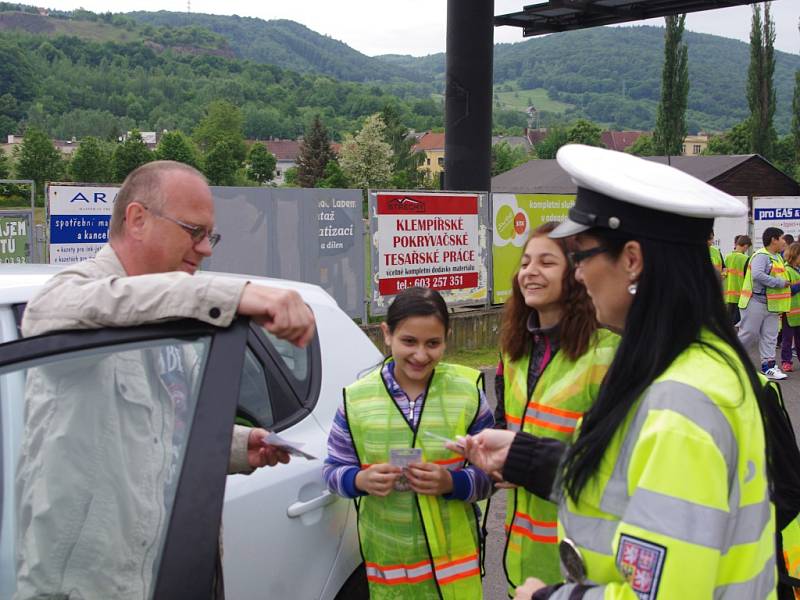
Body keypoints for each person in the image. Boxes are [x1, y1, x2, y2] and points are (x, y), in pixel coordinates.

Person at [449, 145, 776, 599]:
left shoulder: (682, 400)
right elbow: (640, 487)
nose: (577, 275)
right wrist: (529, 457)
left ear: (633, 260)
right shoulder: (697, 362)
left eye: (580, 255)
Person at [15, 161, 316, 600]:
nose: (205, 249)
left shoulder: (166, 316)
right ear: (137, 219)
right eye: (194, 231)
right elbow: (44, 317)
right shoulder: (80, 291)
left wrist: (230, 444)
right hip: (88, 587)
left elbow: (155, 429)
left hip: (167, 571)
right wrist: (228, 295)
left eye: (209, 235)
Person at [323, 286, 493, 599]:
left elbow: (492, 476)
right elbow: (333, 470)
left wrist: (451, 482)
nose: (420, 354)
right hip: (391, 568)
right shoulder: (356, 399)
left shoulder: (468, 393)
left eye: (433, 343)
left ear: (447, 337)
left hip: (454, 571)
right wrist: (360, 479)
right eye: (408, 341)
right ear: (387, 334)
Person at [494, 222, 618, 592]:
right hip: (521, 553)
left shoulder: (610, 353)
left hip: (582, 560)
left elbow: (614, 465)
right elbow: (506, 426)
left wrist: (524, 461)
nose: (530, 272)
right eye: (526, 262)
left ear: (576, 274)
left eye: (546, 262)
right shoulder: (513, 351)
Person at [739, 227, 790, 380]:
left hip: (771, 304)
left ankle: (769, 367)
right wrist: (779, 283)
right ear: (774, 239)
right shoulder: (762, 256)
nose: (783, 242)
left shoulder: (777, 257)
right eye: (781, 238)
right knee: (749, 334)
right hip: (755, 301)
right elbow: (757, 274)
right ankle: (731, 360)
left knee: (770, 337)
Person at [723, 234, 752, 325]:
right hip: (740, 295)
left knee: (728, 322)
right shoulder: (746, 259)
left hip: (728, 295)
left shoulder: (727, 257)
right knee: (738, 323)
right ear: (746, 246)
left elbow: (724, 275)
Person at [780, 242, 800, 373]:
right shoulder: (786, 270)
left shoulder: (798, 269)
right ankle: (786, 362)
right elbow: (788, 290)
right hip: (789, 311)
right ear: (795, 255)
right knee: (787, 339)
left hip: (798, 311)